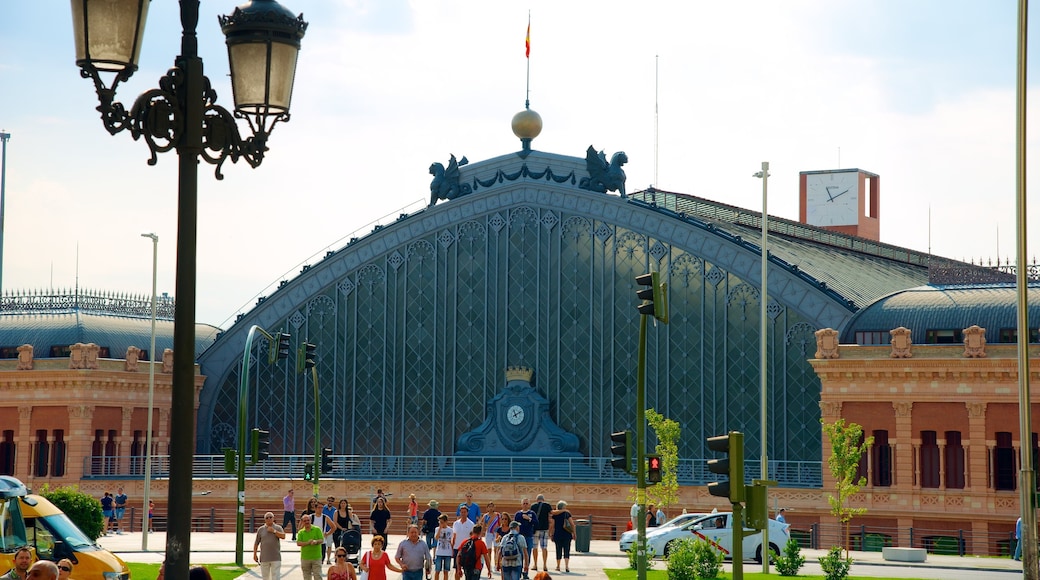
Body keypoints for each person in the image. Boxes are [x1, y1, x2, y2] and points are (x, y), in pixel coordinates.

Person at [253, 511, 286, 580]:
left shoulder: (278, 527)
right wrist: (255, 554)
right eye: (267, 518)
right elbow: (256, 543)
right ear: (265, 520)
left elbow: (283, 536)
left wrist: (274, 531)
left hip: (275, 558)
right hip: (264, 558)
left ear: (273, 518)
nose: (269, 519)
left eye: (270, 517)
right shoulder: (261, 529)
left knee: (275, 577)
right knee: (265, 577)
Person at [513, 498, 537, 579]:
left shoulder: (532, 513)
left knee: (528, 555)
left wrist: (529, 519)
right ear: (521, 504)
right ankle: (518, 572)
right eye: (524, 503)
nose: (525, 505)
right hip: (519, 537)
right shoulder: (518, 514)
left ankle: (526, 572)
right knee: (519, 555)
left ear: (529, 504)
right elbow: (513, 525)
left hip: (528, 537)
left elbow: (536, 523)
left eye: (527, 503)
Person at [299, 514, 326, 580]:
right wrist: (307, 543)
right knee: (306, 576)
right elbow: (298, 543)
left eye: (308, 520)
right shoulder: (301, 532)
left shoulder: (317, 529)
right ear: (302, 522)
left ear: (310, 520)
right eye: (305, 521)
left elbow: (322, 540)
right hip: (305, 558)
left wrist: (316, 542)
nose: (307, 522)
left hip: (316, 557)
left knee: (318, 576)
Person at [529, 495, 551, 572]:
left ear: (537, 499)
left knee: (535, 547)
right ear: (543, 499)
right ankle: (545, 565)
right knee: (544, 547)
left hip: (535, 529)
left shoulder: (533, 506)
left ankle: (535, 565)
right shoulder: (547, 505)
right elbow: (552, 513)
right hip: (544, 529)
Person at [549, 501, 572, 573]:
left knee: (558, 550)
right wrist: (574, 533)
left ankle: (558, 566)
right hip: (567, 534)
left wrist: (550, 533)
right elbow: (572, 523)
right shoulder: (567, 514)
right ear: (564, 507)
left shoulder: (555, 515)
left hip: (558, 534)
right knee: (567, 550)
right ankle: (567, 566)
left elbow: (552, 525)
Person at [434, 514, 454, 580]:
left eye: (442, 522)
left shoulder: (450, 530)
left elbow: (452, 541)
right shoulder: (437, 529)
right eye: (439, 522)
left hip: (447, 552)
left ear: (446, 522)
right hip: (439, 552)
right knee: (437, 570)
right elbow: (436, 538)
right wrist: (440, 528)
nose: (440, 523)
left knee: (446, 571)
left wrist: (452, 551)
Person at [324, 496, 342, 564]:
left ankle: (328, 559)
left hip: (330, 530)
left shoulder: (335, 510)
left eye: (331, 501)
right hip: (323, 529)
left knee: (329, 545)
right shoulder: (323, 509)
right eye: (329, 500)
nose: (330, 502)